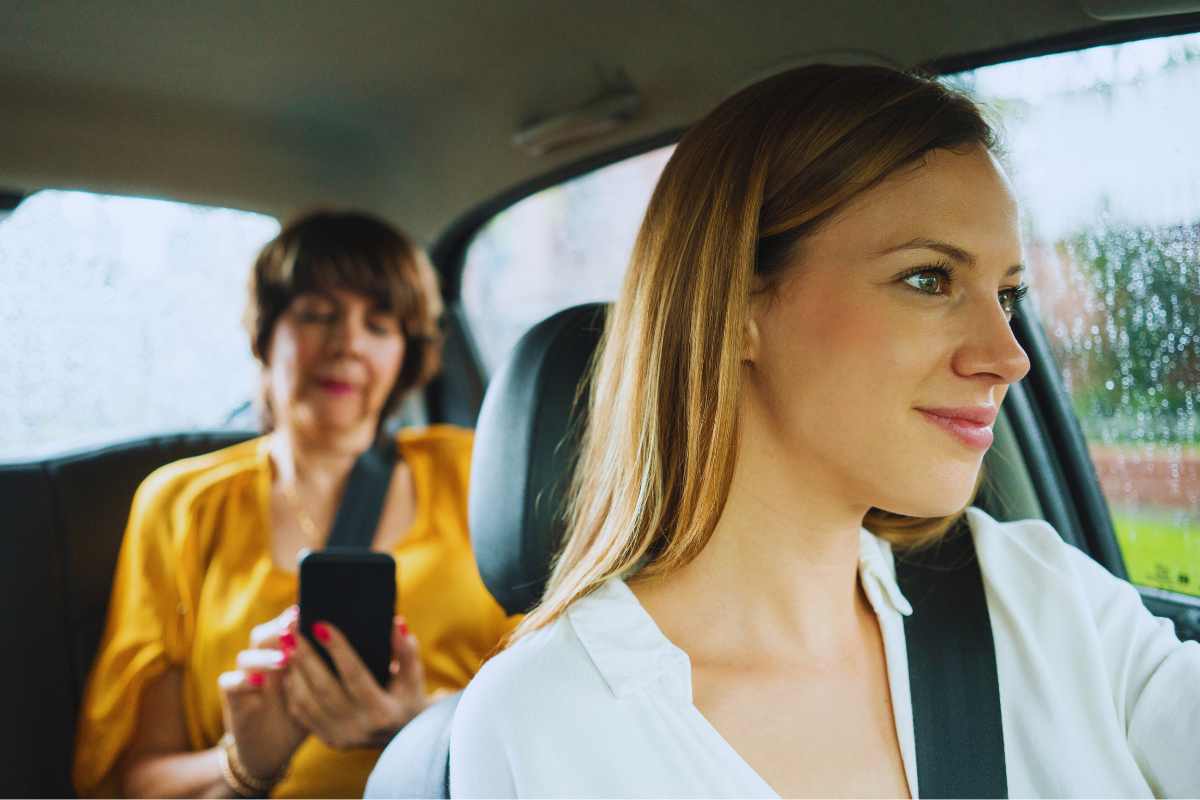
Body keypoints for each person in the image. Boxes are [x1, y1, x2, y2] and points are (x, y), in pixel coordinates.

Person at [448, 65, 1200, 797]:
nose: (1008, 357)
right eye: (929, 279)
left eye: (1006, 296)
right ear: (737, 305)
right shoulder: (546, 722)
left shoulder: (1039, 597)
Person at [73, 210, 517, 798]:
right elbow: (136, 782)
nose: (347, 344)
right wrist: (245, 763)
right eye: (317, 315)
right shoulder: (182, 504)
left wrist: (422, 721)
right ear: (266, 333)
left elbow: (550, 712)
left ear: (406, 356)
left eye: (379, 325)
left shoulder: (476, 470)